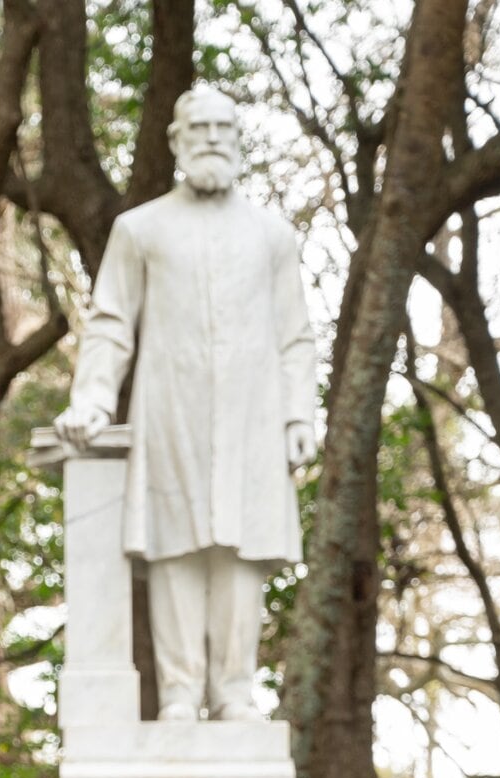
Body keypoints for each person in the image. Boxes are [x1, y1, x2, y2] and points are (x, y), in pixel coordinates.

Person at [55, 85, 319, 722]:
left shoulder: (272, 235)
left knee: (240, 548)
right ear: (175, 140)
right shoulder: (140, 229)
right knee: (176, 544)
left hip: (253, 415)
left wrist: (298, 415)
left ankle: (233, 691)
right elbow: (111, 321)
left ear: (238, 137)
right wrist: (92, 399)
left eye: (221, 127)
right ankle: (178, 691)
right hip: (169, 408)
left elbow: (295, 336)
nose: (209, 138)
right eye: (196, 127)